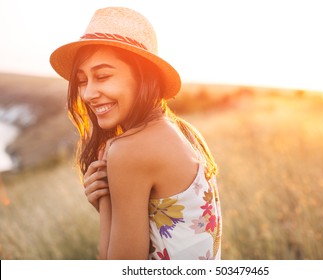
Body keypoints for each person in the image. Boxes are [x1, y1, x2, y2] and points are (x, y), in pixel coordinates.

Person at [50, 7, 222, 260]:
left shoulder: (130, 150)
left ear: (143, 76)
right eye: (83, 80)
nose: (87, 94)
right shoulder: (184, 132)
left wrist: (106, 205)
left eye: (103, 76)